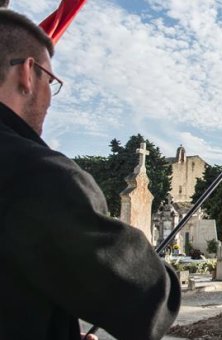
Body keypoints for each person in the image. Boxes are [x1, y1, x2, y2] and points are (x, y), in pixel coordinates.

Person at [0, 9, 180, 340]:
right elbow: (148, 303)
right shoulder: (39, 176)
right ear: (27, 73)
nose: (50, 98)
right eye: (50, 80)